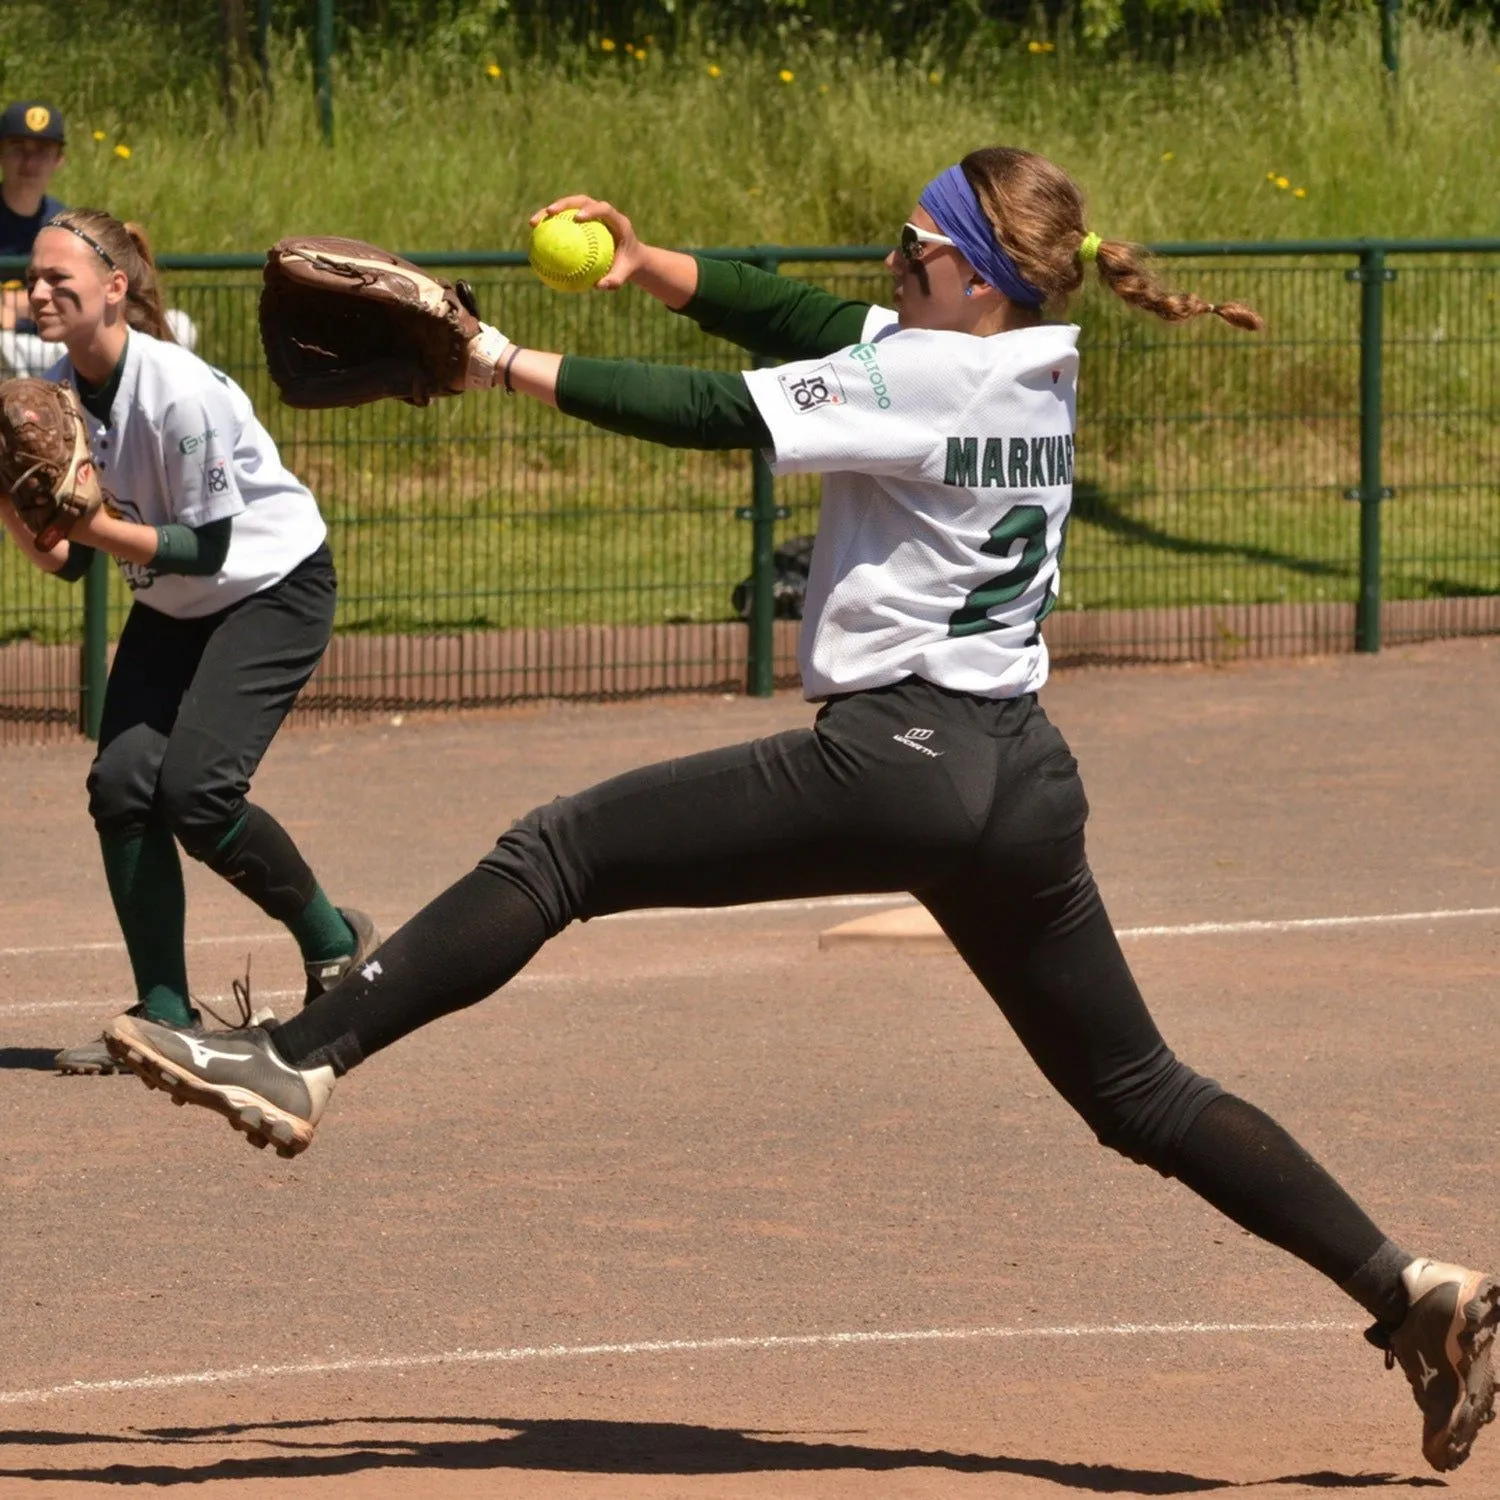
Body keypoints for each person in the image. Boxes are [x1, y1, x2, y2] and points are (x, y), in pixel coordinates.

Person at [105, 148, 1497, 1472]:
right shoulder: (1027, 363)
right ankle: (1409, 1286)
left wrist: (499, 363)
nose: (887, 265)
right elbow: (813, 319)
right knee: (1140, 1091)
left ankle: (303, 1055)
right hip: (1020, 774)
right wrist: (656, 267)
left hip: (900, 755)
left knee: (563, 848)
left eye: (912, 248)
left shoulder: (923, 369)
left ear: (971, 276)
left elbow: (727, 415)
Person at [0, 205, 379, 1075]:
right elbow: (63, 560)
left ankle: (333, 943)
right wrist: (12, 504)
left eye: (61, 276)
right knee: (123, 786)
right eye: (33, 277)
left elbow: (207, 547)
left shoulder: (180, 392)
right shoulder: (54, 398)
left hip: (272, 587)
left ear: (115, 289)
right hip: (177, 603)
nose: (41, 289)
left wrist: (89, 527)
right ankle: (164, 1014)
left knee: (199, 793)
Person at [0, 100, 67, 336]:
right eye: (18, 149)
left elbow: (74, 304)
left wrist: (12, 312)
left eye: (42, 151)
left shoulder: (65, 225)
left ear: (59, 159)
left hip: (52, 346)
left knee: (178, 324)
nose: (29, 163)